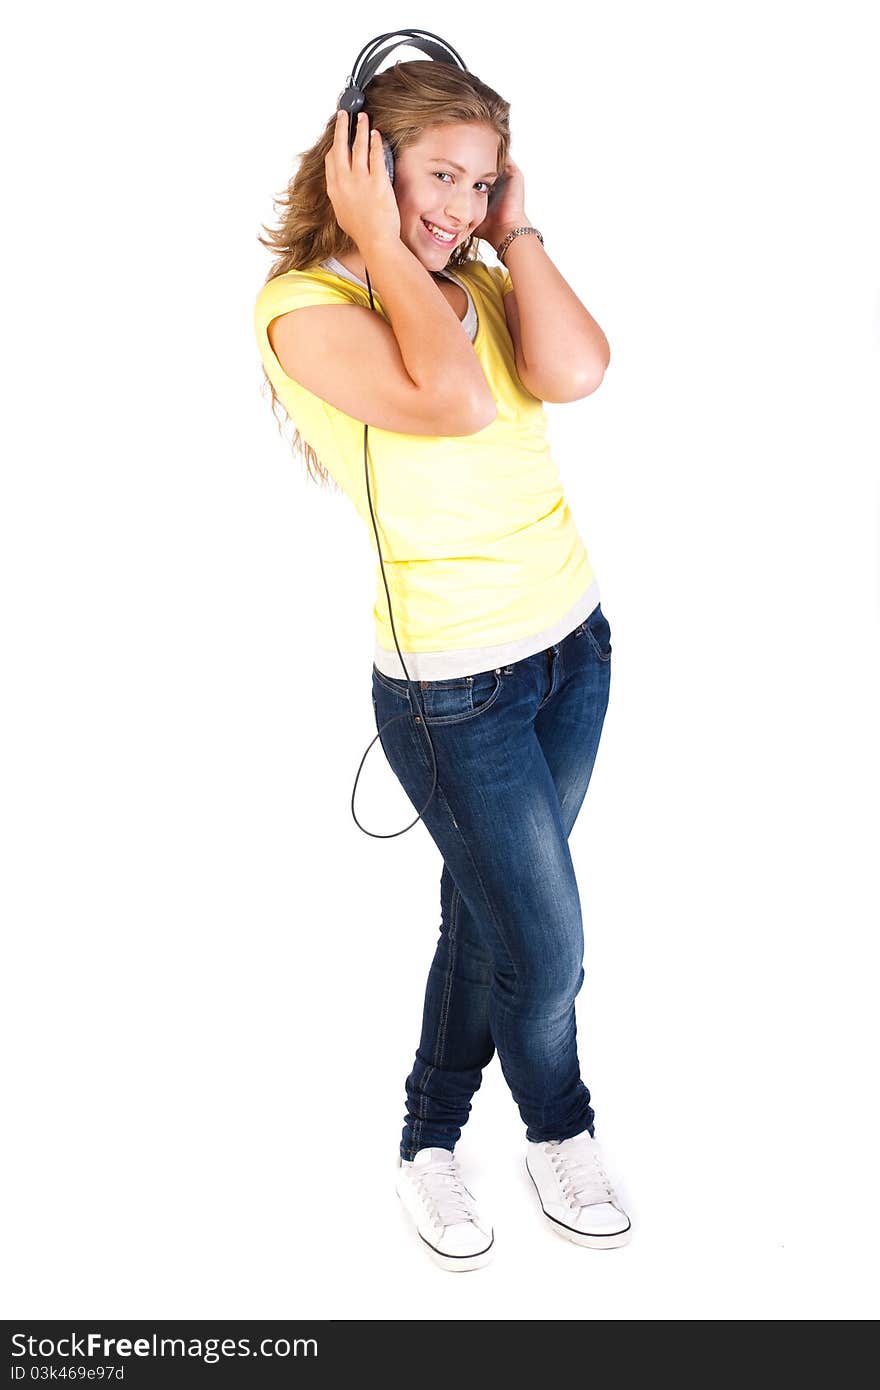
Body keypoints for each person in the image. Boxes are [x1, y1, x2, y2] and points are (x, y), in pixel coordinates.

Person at [254, 58, 632, 1272]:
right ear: (362, 159)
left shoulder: (475, 269)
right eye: (439, 177)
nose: (460, 207)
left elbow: (575, 372)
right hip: (452, 691)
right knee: (546, 952)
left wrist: (515, 237)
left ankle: (428, 1140)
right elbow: (457, 401)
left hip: (572, 646)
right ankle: (557, 1126)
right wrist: (370, 232)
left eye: (481, 182)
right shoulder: (305, 310)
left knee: (487, 925)